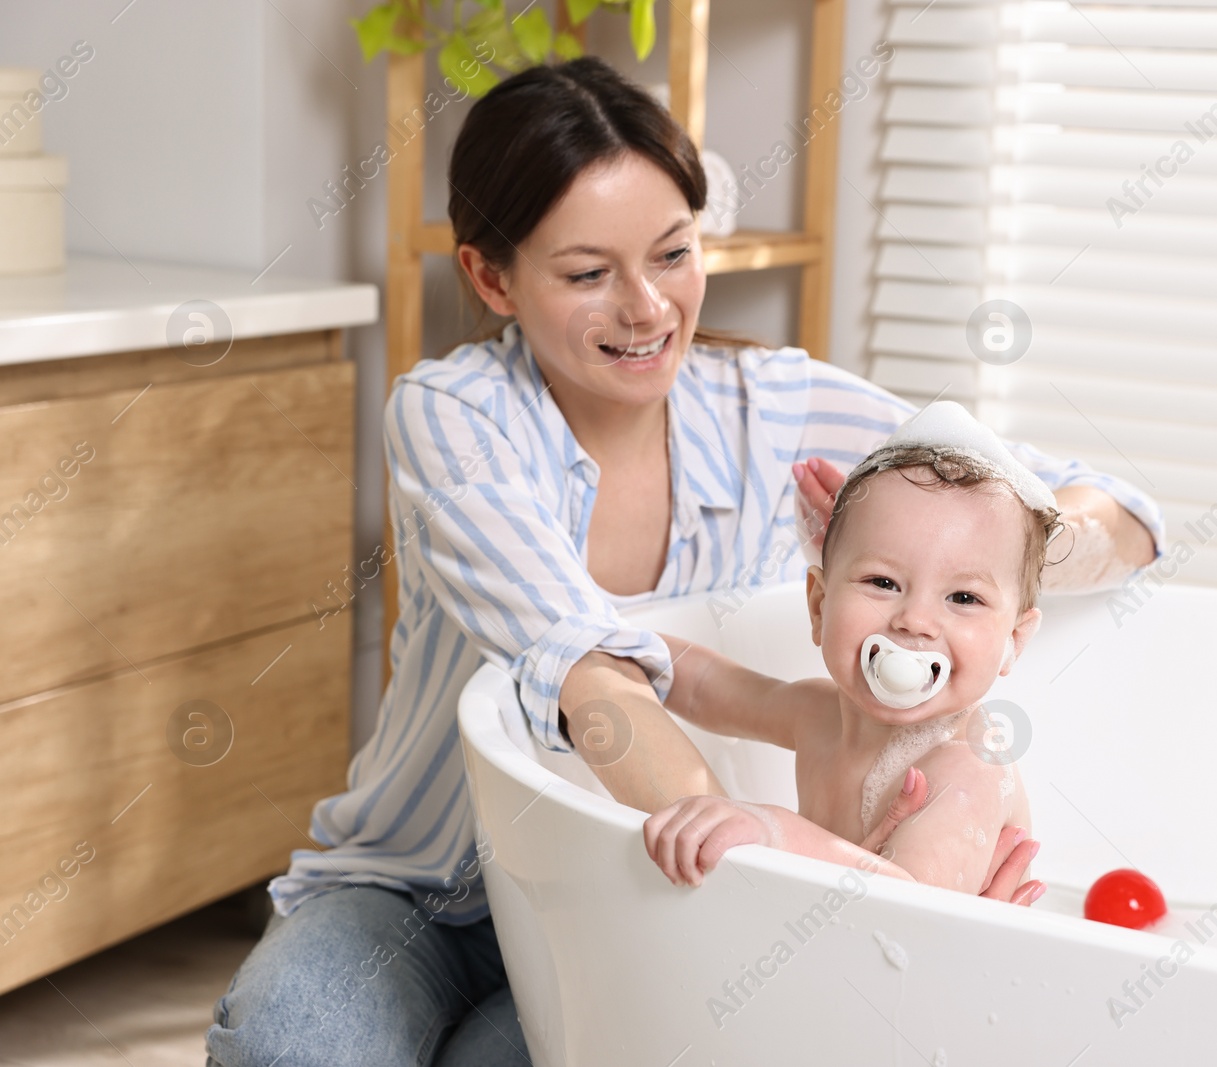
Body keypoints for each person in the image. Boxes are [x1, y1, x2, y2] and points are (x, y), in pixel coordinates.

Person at [206, 55, 1164, 1067]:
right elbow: (595, 676)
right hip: (420, 892)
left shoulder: (771, 407)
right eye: (588, 274)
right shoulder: (454, 416)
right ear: (491, 276)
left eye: (672, 254)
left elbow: (1126, 516)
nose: (647, 309)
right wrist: (734, 835)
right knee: (292, 1046)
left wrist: (944, 557)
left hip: (629, 898)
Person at [645, 406, 1061, 898]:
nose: (916, 620)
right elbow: (707, 690)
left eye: (964, 598)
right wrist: (625, 646)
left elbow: (913, 905)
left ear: (1013, 641)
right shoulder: (817, 715)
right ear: (819, 605)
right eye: (883, 582)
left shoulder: (968, 768)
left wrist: (774, 830)